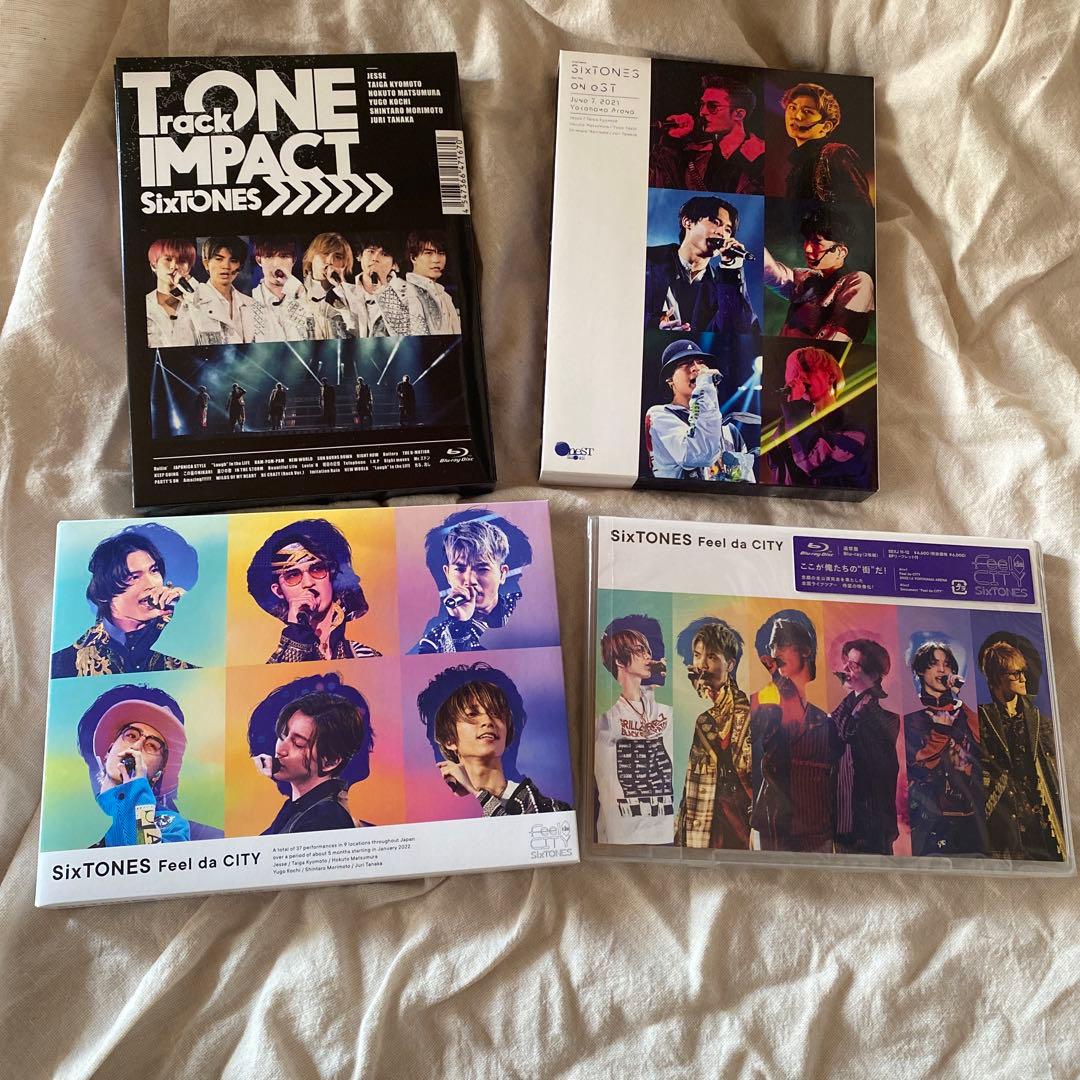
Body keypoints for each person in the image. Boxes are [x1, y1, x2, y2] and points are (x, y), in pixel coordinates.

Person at [417, 663, 570, 816]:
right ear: (449, 740)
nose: (488, 721)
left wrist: (478, 794)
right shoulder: (434, 811)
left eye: (496, 713)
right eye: (472, 714)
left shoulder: (553, 810)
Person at [77, 684, 222, 844]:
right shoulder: (80, 816)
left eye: (151, 746)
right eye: (131, 735)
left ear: (158, 774)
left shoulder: (173, 826)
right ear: (108, 751)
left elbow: (147, 854)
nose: (137, 746)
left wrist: (136, 792)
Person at [749, 611, 840, 852]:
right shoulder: (765, 702)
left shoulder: (826, 716)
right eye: (772, 646)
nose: (776, 652)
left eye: (783, 643)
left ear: (806, 650)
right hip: (773, 823)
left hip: (816, 825)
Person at [52, 528, 195, 677]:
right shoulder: (65, 664)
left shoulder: (186, 641)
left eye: (154, 570)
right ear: (104, 593)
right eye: (134, 577)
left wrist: (190, 607)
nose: (152, 584)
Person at [977, 633, 1063, 860]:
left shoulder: (1040, 722)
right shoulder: (982, 719)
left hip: (1040, 824)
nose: (1023, 678)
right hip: (1002, 824)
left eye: (1022, 671)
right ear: (997, 678)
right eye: (1015, 673)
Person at [246, 518, 381, 663]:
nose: (308, 583)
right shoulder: (267, 664)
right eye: (292, 575)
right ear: (278, 591)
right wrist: (296, 633)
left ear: (332, 575)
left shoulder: (366, 657)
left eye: (317, 569)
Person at [674, 619, 753, 849]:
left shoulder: (749, 713)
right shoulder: (703, 719)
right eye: (697, 655)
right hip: (708, 825)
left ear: (730, 664)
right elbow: (690, 786)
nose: (701, 665)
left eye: (711, 657)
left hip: (743, 826)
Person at [595, 619, 674, 844]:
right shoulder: (605, 712)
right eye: (640, 650)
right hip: (622, 838)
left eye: (647, 650)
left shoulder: (660, 704)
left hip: (666, 834)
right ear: (620, 660)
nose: (648, 655)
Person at [904, 641, 985, 857]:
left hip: (969, 813)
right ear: (920, 671)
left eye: (947, 664)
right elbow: (918, 761)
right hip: (931, 816)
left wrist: (962, 695)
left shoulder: (963, 709)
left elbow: (982, 740)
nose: (942, 670)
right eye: (934, 664)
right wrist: (941, 732)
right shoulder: (913, 714)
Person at [253, 690, 370, 834]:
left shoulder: (325, 819)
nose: (280, 750)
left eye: (298, 744)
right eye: (282, 736)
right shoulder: (297, 807)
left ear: (330, 762)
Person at [644, 195, 759, 335]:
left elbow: (742, 331)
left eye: (728, 230)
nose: (722, 233)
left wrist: (731, 270)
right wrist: (654, 326)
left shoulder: (721, 286)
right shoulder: (646, 259)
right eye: (715, 222)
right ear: (687, 222)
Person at [413, 509, 525, 654]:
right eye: (460, 569)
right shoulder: (433, 642)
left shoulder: (524, 608)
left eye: (482, 569)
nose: (469, 580)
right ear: (447, 574)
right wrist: (460, 625)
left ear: (502, 573)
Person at [644, 338, 756, 483]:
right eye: (686, 363)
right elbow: (701, 455)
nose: (697, 368)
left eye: (701, 362)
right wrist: (705, 387)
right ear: (669, 379)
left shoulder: (730, 430)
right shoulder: (659, 416)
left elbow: (744, 482)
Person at [830, 638, 900, 855]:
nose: (845, 669)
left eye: (854, 665)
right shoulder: (845, 708)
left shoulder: (883, 713)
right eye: (846, 662)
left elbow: (850, 732)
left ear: (874, 675)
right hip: (843, 821)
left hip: (870, 827)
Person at [764, 206, 875, 343]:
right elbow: (772, 273)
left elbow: (838, 337)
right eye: (807, 240)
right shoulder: (808, 279)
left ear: (841, 252)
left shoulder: (858, 281)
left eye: (817, 242)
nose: (807, 248)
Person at [767, 346, 871, 489]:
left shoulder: (855, 429)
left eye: (806, 368)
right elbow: (780, 481)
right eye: (795, 373)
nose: (800, 378)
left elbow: (813, 462)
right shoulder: (783, 430)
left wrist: (794, 408)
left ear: (830, 376)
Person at [649, 73, 765, 194]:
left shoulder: (762, 156)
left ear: (739, 114)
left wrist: (756, 167)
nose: (702, 112)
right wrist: (671, 142)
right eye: (702, 104)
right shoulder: (694, 154)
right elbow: (658, 186)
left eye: (713, 106)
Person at [779, 81, 872, 205]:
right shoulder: (797, 166)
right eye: (792, 108)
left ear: (826, 127)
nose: (797, 116)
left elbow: (860, 209)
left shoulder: (836, 154)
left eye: (808, 111)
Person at [192, 235, 276, 344]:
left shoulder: (252, 304)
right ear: (206, 263)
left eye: (233, 260)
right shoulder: (193, 303)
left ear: (239, 266)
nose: (226, 266)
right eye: (219, 259)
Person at [354, 235, 432, 336]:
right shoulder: (344, 293)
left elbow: (416, 335)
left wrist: (383, 289)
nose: (375, 258)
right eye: (371, 251)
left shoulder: (411, 293)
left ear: (395, 265)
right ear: (359, 256)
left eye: (384, 254)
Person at [252, 235, 318, 341]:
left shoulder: (308, 297)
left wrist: (299, 291)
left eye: (284, 256)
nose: (276, 264)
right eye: (269, 256)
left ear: (294, 260)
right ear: (259, 260)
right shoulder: (251, 300)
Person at [302, 231, 366, 339]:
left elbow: (361, 332)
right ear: (312, 256)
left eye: (338, 257)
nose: (330, 261)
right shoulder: (297, 293)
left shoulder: (355, 294)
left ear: (345, 264)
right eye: (325, 253)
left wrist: (340, 288)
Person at [145, 238, 201, 348]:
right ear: (154, 265)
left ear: (189, 268)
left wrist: (190, 287)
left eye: (182, 261)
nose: (174, 266)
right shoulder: (145, 305)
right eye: (168, 259)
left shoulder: (198, 302)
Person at [405, 230, 462, 333]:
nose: (436, 260)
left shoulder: (444, 295)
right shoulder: (404, 291)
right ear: (413, 257)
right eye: (428, 253)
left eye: (441, 253)